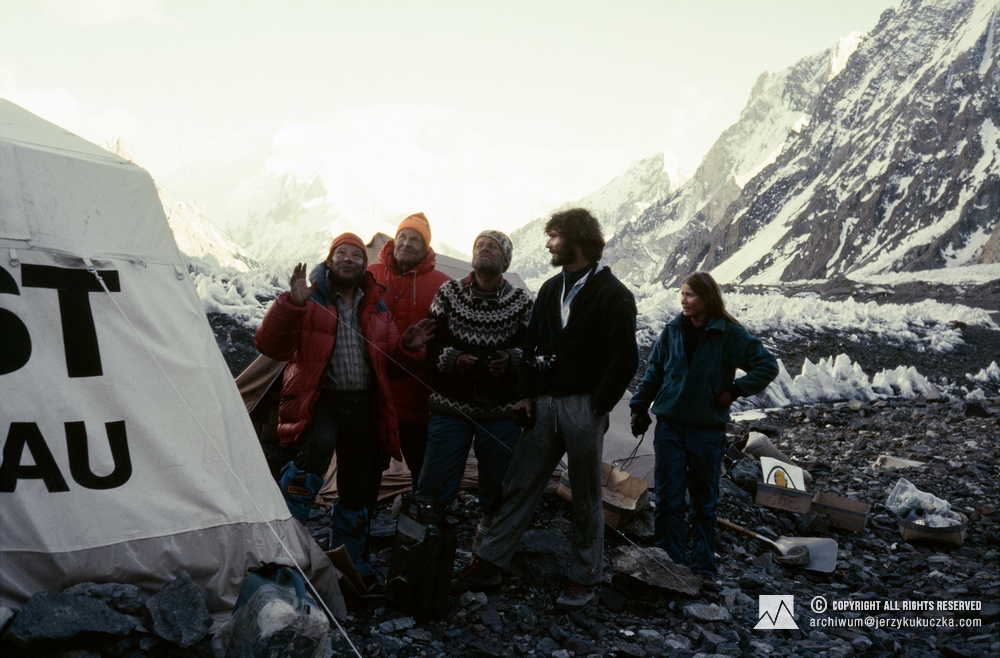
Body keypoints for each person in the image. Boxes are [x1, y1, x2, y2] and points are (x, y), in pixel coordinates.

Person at [456, 208, 639, 608]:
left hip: (583, 407)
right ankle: (490, 561)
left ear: (575, 238)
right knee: (521, 482)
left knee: (586, 492)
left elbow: (625, 360)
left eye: (554, 236)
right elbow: (530, 347)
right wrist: (526, 394)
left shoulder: (614, 294)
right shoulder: (550, 290)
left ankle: (585, 574)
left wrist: (597, 405)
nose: (548, 244)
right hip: (543, 405)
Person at [255, 232, 433, 574]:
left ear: (364, 264)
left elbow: (391, 365)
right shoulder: (308, 300)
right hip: (321, 400)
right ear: (330, 260)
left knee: (361, 480)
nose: (349, 259)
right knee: (311, 460)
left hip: (364, 403)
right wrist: (290, 304)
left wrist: (408, 346)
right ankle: (284, 550)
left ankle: (349, 560)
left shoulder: (376, 307)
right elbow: (269, 345)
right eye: (342, 254)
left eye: (356, 255)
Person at [628, 271, 778, 576]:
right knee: (669, 496)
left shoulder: (729, 335)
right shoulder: (672, 331)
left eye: (690, 294)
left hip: (707, 430)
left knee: (703, 500)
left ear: (707, 298)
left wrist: (735, 390)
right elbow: (654, 372)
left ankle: (702, 565)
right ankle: (667, 561)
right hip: (670, 425)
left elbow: (767, 365)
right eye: (682, 294)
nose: (684, 300)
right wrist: (639, 406)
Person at [415, 230, 533, 547]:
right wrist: (452, 358)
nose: (485, 249)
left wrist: (511, 359)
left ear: (506, 260)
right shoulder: (448, 294)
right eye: (480, 245)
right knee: (436, 478)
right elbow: (430, 342)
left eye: (493, 247)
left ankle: (489, 547)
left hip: (500, 411)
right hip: (449, 405)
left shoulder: (520, 302)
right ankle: (425, 544)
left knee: (498, 482)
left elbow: (532, 350)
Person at [368, 212, 451, 485]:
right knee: (367, 463)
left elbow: (448, 337)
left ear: (426, 246)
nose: (406, 243)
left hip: (418, 391)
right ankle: (359, 518)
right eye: (402, 236)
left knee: (422, 461)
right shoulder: (371, 275)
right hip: (373, 389)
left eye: (415, 239)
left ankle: (419, 516)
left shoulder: (442, 284)